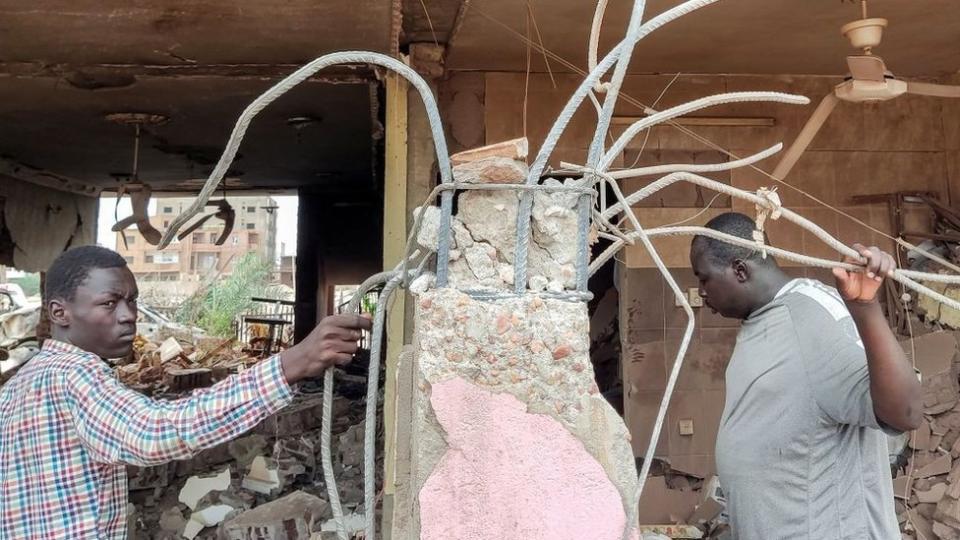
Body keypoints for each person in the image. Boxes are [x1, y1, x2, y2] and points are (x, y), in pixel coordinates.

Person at [0, 246, 371, 539]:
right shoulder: (73, 376)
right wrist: (289, 365)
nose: (128, 314)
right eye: (109, 303)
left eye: (131, 300)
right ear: (59, 312)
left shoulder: (24, 380)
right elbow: (154, 432)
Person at [689, 212, 921, 539]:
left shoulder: (813, 314)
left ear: (739, 270)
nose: (700, 291)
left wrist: (865, 308)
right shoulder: (762, 320)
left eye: (704, 278)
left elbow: (906, 411)